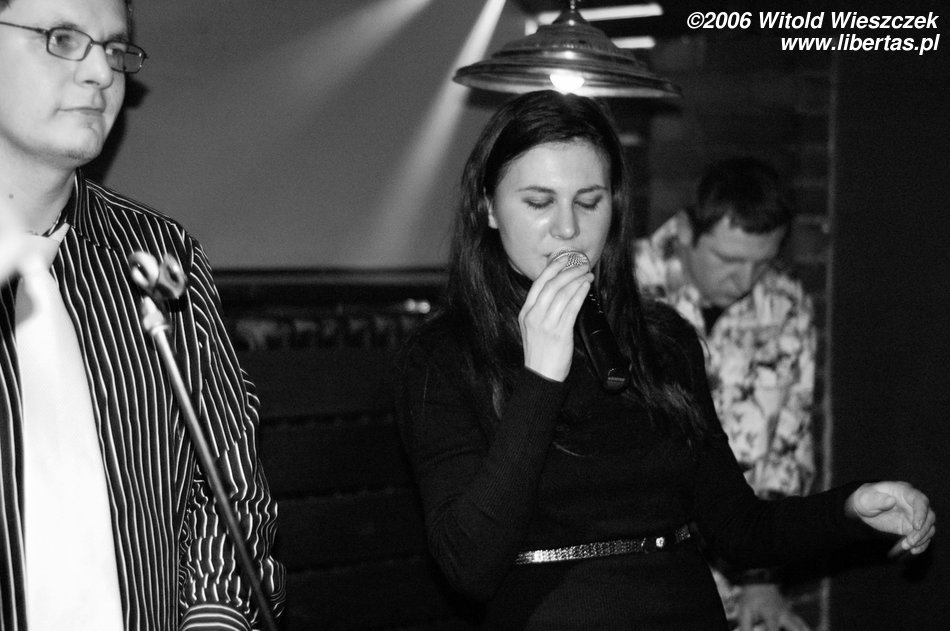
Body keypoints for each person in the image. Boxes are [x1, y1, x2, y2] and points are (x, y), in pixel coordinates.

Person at [393, 90, 935, 630]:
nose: (568, 229)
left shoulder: (663, 339)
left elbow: (739, 528)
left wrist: (850, 510)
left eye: (589, 202)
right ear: (489, 207)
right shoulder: (443, 355)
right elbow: (469, 567)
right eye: (539, 202)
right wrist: (540, 378)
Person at [0, 0, 284, 629]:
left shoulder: (158, 256)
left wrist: (214, 620)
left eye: (113, 48)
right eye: (62, 38)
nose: (101, 71)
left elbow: (226, 490)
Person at [635, 157, 814, 630]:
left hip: (741, 582)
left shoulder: (786, 305)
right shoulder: (619, 289)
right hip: (635, 575)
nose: (745, 280)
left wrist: (762, 573)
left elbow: (789, 451)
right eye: (729, 260)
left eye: (762, 262)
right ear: (684, 231)